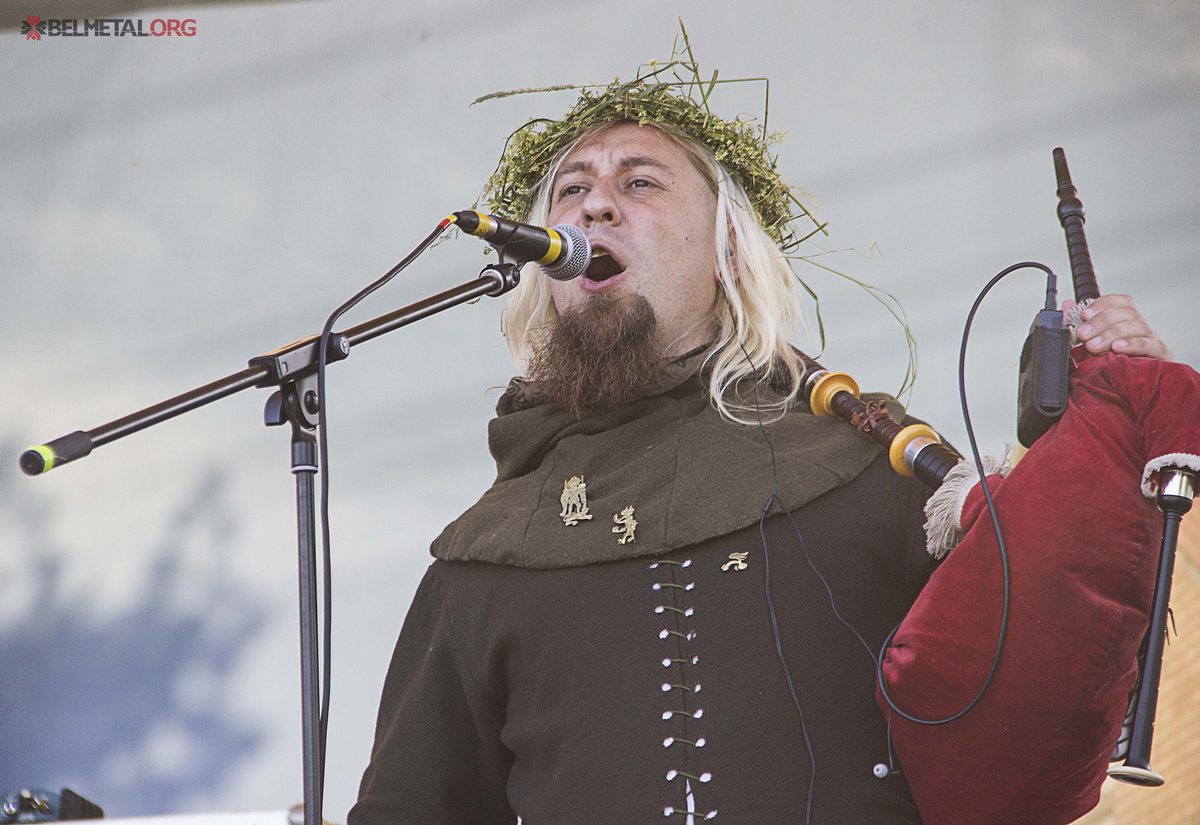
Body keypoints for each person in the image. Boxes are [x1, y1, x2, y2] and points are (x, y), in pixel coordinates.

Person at [347, 57, 1172, 825]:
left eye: (639, 181)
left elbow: (1057, 675)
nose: (595, 206)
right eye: (572, 189)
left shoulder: (872, 462)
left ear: (730, 249)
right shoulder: (487, 555)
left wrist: (1105, 433)